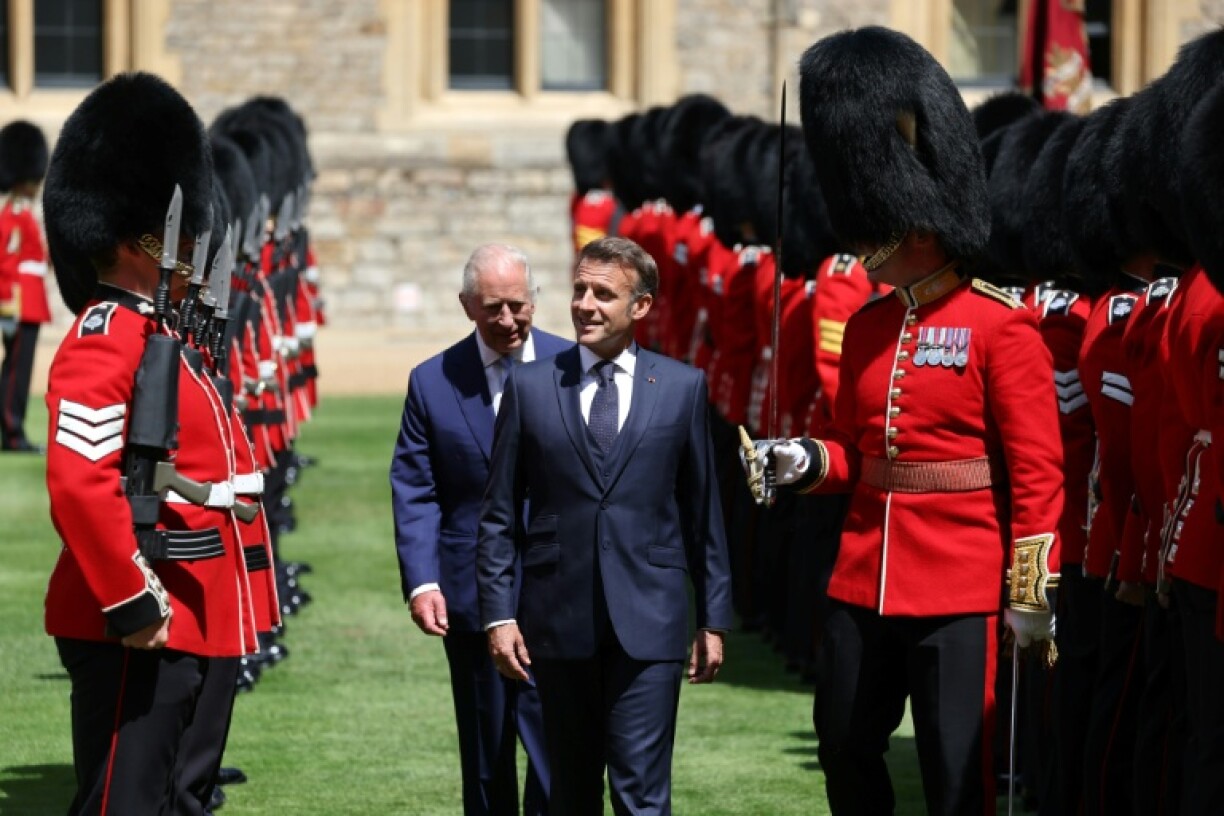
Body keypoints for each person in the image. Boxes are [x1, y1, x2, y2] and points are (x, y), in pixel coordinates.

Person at [753, 28, 1064, 815]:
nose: (860, 245)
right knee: (842, 745)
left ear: (918, 222)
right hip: (864, 572)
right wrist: (805, 461)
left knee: (956, 773)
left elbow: (1037, 469)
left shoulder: (1002, 326)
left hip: (961, 581)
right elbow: (855, 448)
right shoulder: (868, 326)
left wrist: (1030, 588)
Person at [42, 72, 256, 814]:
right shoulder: (106, 337)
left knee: (175, 800)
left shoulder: (166, 337)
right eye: (180, 233)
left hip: (191, 608)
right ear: (138, 240)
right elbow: (80, 480)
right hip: (139, 616)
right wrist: (132, 599)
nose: (193, 246)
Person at [477, 235, 732, 816]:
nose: (584, 305)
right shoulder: (530, 386)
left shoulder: (682, 388)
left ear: (641, 306)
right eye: (579, 290)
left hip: (651, 624)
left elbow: (703, 515)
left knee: (641, 796)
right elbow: (498, 515)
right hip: (556, 623)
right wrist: (498, 614)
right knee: (569, 794)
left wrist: (714, 619)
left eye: (603, 294)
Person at [391, 243, 566, 815]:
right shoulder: (432, 381)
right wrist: (423, 582)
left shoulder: (573, 366)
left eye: (518, 305)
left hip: (557, 590)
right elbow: (416, 488)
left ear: (535, 299)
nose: (508, 319)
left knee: (558, 754)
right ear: (467, 305)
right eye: (493, 308)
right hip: (469, 596)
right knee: (487, 758)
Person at [0, 120, 50, 452]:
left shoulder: (24, 214)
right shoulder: (13, 216)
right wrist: (7, 305)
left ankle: (13, 430)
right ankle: (13, 432)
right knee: (17, 372)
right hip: (19, 303)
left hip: (30, 300)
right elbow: (5, 263)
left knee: (18, 369)